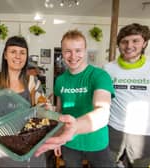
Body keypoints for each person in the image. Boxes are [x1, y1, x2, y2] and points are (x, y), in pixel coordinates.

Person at [36, 29, 115, 168]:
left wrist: (73, 128)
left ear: (85, 51)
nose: (73, 56)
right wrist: (51, 113)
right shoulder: (60, 80)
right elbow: (60, 110)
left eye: (78, 50)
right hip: (70, 143)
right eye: (67, 51)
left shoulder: (100, 75)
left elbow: (103, 112)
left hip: (96, 142)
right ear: (62, 52)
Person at [0, 36, 46, 167]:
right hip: (0, 151)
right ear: (5, 55)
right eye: (13, 51)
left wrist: (47, 110)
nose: (18, 56)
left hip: (30, 149)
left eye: (22, 52)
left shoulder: (33, 83)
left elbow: (43, 112)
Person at [103, 23, 150, 168]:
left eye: (135, 40)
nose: (129, 46)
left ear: (145, 43)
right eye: (124, 41)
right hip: (114, 128)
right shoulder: (108, 69)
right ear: (119, 45)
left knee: (140, 165)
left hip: (143, 132)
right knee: (108, 164)